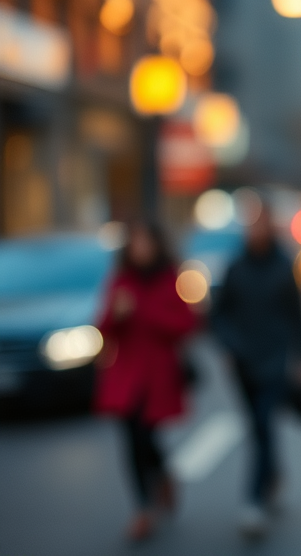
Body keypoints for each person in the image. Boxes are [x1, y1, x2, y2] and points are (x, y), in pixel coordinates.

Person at [209, 199, 301, 538]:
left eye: (262, 225)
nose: (256, 231)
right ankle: (273, 474)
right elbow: (219, 314)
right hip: (243, 362)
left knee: (264, 424)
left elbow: (298, 316)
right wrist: (227, 346)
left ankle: (253, 501)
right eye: (252, 225)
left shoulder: (284, 266)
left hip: (275, 360)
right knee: (258, 426)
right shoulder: (236, 267)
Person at [94, 220, 198, 542]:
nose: (140, 249)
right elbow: (104, 325)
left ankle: (162, 475)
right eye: (135, 244)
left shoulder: (170, 278)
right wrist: (118, 314)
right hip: (126, 374)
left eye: (145, 242)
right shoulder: (121, 281)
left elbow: (186, 324)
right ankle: (142, 507)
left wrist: (144, 313)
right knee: (131, 439)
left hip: (158, 375)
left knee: (146, 436)